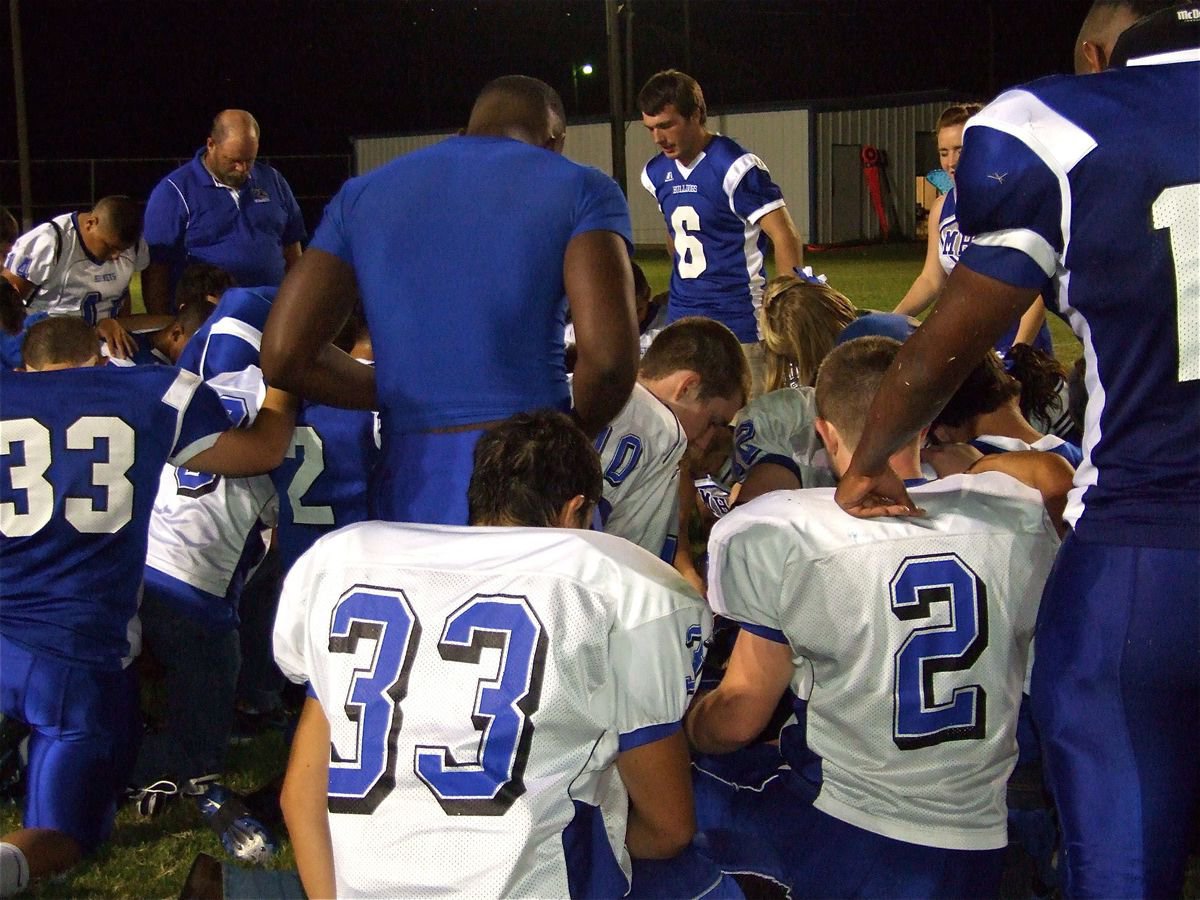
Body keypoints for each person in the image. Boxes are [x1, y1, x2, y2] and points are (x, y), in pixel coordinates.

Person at [835, 3, 1199, 896]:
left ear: (1094, 55)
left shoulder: (1057, 126)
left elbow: (943, 343)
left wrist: (874, 453)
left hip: (1149, 557)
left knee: (1122, 861)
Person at [672, 336, 1063, 899]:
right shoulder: (1016, 512)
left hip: (848, 828)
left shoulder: (782, 529)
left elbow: (736, 719)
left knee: (664, 796)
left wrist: (684, 725)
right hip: (981, 835)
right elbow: (1046, 478)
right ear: (927, 426)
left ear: (826, 433)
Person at [275, 409, 708, 898]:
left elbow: (299, 796)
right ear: (575, 510)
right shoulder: (614, 585)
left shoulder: (345, 564)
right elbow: (669, 828)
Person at [0, 316, 295, 896]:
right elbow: (262, 450)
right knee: (66, 832)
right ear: (101, 359)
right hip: (72, 655)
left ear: (22, 368)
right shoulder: (152, 390)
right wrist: (287, 382)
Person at [262, 75, 638, 526]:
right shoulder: (581, 186)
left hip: (413, 476)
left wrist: (406, 391)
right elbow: (611, 361)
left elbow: (283, 355)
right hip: (530, 477)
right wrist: (571, 435)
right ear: (555, 141)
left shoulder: (364, 193)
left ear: (467, 128)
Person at [638, 69, 804, 398]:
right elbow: (676, 235)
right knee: (684, 432)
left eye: (667, 125)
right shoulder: (656, 172)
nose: (658, 138)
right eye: (651, 128)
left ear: (696, 114)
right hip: (683, 323)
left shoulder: (735, 166)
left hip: (740, 323)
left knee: (746, 426)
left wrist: (786, 315)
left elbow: (785, 238)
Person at [893, 105, 1054, 360]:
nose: (951, 162)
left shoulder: (1013, 201)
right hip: (965, 346)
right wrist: (891, 320)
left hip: (1017, 344)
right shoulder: (941, 208)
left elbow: (1036, 290)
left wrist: (1018, 351)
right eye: (943, 152)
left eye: (960, 149)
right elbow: (931, 280)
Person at [594, 317, 748, 568]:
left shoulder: (596, 394)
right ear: (687, 386)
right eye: (713, 421)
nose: (707, 440)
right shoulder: (656, 427)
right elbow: (573, 526)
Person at [141, 110, 305, 315]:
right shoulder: (174, 191)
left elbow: (292, 249)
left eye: (250, 159)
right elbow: (157, 268)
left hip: (271, 313)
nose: (242, 168)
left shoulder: (273, 180)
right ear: (211, 145)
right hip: (209, 320)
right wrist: (163, 321)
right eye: (234, 160)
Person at [1, 196, 148, 358]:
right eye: (109, 246)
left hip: (104, 340)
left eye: (122, 249)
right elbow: (7, 307)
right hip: (50, 347)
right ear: (91, 223)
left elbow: (122, 298)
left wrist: (115, 327)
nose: (115, 256)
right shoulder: (50, 241)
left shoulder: (135, 245)